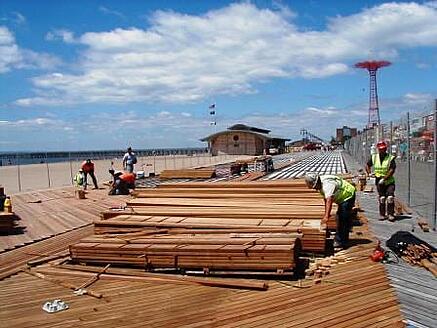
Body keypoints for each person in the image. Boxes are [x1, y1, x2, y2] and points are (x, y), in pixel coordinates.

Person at [305, 172, 356, 250]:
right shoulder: (321, 184)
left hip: (348, 195)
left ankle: (342, 242)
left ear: (316, 182)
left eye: (315, 187)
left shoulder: (327, 185)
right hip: (342, 198)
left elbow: (329, 200)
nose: (315, 189)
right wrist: (326, 214)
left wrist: (326, 216)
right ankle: (341, 236)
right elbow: (326, 199)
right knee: (341, 217)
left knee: (342, 218)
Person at [365, 141, 396, 221]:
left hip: (389, 181)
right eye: (380, 149)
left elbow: (392, 170)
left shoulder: (390, 158)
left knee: (390, 197)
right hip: (379, 180)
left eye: (383, 149)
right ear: (378, 149)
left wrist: (384, 178)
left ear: (386, 149)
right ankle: (382, 214)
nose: (382, 151)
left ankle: (390, 214)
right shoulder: (374, 157)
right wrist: (369, 174)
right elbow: (368, 165)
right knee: (382, 198)